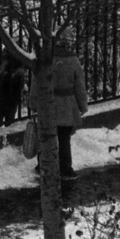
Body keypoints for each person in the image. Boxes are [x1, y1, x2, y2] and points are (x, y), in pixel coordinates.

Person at [50, 39, 89, 186]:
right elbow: (79, 85)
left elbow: (37, 81)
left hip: (49, 103)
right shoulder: (72, 60)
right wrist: (83, 105)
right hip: (67, 104)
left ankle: (43, 165)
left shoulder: (46, 58)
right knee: (64, 137)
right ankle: (65, 169)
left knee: (47, 134)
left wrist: (34, 103)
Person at [0, 38, 27, 127]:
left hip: (15, 84)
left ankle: (7, 126)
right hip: (6, 84)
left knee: (11, 108)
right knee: (4, 107)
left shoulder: (19, 54)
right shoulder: (6, 53)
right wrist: (13, 74)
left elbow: (24, 65)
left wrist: (21, 71)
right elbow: (3, 68)